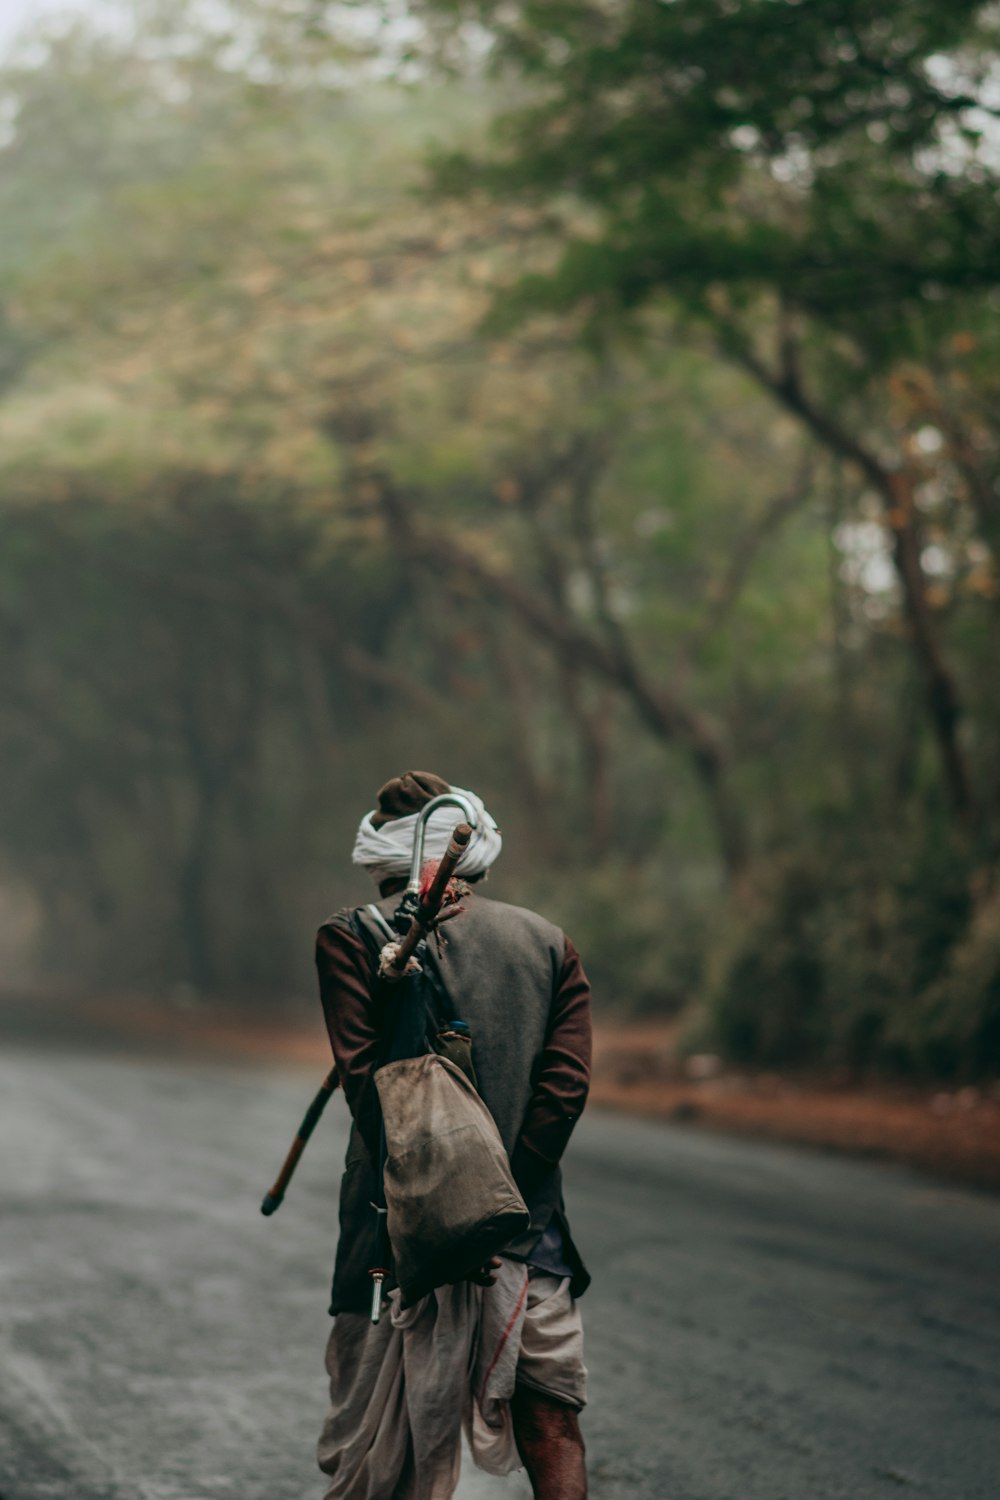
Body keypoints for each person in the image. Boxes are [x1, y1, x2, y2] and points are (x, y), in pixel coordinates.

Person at [315, 770, 592, 1500]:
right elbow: (563, 1094)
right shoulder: (549, 944)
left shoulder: (351, 939)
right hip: (527, 1230)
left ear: (390, 865)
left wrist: (449, 1213)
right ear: (468, 857)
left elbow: (369, 1092)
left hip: (396, 1236)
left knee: (378, 1451)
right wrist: (503, 1199)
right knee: (551, 1421)